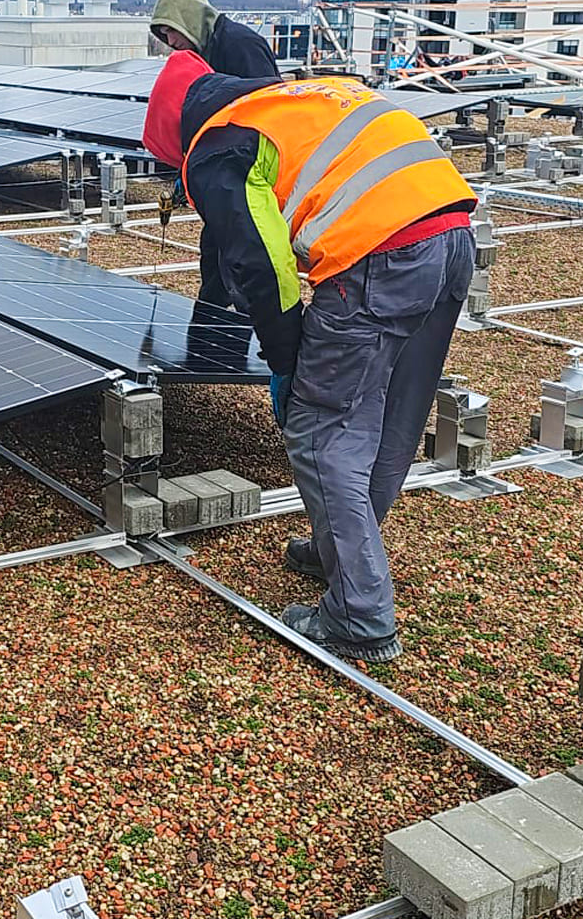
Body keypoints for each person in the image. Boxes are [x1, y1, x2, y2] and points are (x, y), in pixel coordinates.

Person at [142, 50, 478, 663]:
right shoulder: (301, 99)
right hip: (453, 241)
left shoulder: (219, 145)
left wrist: (287, 358)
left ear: (176, 137)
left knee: (324, 432)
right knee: (393, 417)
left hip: (380, 260)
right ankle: (337, 556)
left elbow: (261, 265)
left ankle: (359, 614)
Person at [149, 0, 280, 309]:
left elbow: (266, 113)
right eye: (164, 36)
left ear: (189, 17)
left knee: (244, 278)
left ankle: (236, 351)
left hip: (247, 183)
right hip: (223, 182)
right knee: (215, 271)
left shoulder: (239, 46)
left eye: (172, 31)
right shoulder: (203, 54)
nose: (171, 41)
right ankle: (208, 350)